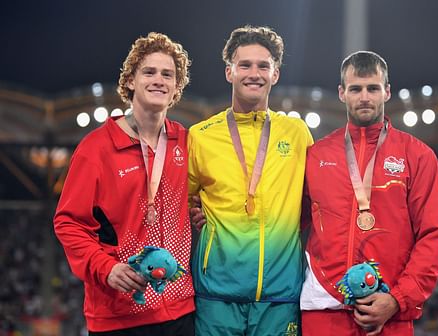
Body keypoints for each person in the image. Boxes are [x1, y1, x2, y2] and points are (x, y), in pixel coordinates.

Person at [53, 32, 195, 335]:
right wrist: (107, 268)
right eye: (149, 72)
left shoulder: (185, 142)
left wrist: (201, 211)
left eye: (167, 74)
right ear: (130, 81)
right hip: (119, 315)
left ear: (175, 88)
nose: (159, 80)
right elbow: (68, 223)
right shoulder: (96, 149)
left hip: (181, 311)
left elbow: (202, 196)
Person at [300, 51, 438, 335]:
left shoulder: (417, 156)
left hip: (389, 310)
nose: (364, 97)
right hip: (323, 307)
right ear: (342, 93)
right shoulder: (316, 156)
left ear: (387, 92)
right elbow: (286, 219)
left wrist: (398, 299)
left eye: (373, 88)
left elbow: (434, 235)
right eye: (355, 89)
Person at [188, 25, 313, 335]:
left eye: (263, 66)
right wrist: (193, 214)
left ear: (275, 74)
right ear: (229, 71)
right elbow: (178, 201)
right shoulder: (201, 136)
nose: (253, 73)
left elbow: (318, 198)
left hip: (280, 297)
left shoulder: (297, 134)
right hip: (216, 296)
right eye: (244, 65)